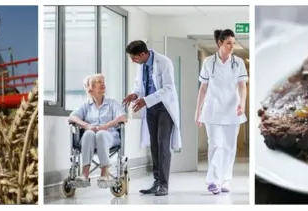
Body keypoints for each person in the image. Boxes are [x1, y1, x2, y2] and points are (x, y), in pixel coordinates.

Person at [122, 40, 182, 196]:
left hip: (164, 108)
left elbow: (168, 88)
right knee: (154, 145)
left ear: (142, 54)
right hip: (150, 108)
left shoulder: (164, 62)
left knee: (163, 145)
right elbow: (139, 85)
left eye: (134, 57)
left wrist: (146, 100)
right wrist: (135, 94)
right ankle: (156, 182)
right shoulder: (140, 65)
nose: (133, 61)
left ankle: (164, 184)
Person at [195, 29, 248, 195]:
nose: (232, 46)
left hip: (233, 110)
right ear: (220, 43)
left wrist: (243, 103)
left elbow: (242, 85)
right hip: (213, 110)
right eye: (228, 43)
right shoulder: (209, 62)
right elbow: (203, 88)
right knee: (216, 145)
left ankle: (226, 180)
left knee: (229, 147)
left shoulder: (238, 62)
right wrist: (198, 111)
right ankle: (213, 180)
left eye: (233, 43)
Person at [68, 74, 128, 188]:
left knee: (101, 134)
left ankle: (104, 173)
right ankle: (84, 173)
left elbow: (123, 117)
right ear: (91, 89)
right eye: (98, 82)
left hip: (109, 136)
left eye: (103, 81)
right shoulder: (86, 105)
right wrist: (87, 126)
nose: (103, 83)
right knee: (89, 133)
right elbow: (71, 117)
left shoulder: (112, 103)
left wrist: (104, 126)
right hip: (90, 138)